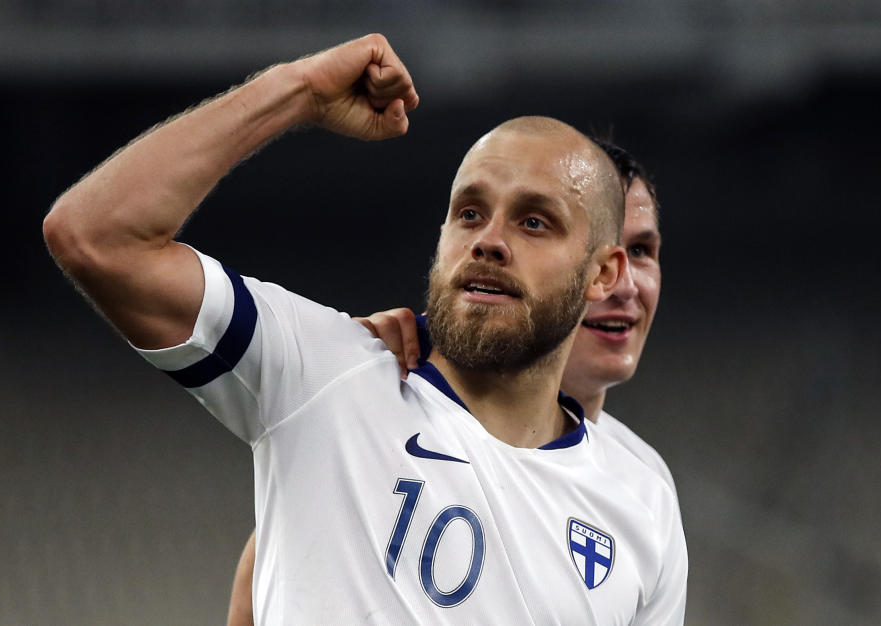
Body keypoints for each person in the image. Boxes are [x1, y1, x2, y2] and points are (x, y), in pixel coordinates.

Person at [44, 34, 686, 624]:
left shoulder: (642, 503)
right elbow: (95, 235)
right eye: (469, 212)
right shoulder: (330, 373)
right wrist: (295, 90)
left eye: (534, 222)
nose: (488, 241)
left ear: (605, 274)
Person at [225, 141, 682, 625]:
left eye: (642, 251)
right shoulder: (384, 390)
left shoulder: (644, 487)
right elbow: (279, 567)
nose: (625, 285)